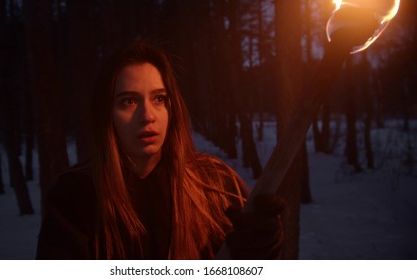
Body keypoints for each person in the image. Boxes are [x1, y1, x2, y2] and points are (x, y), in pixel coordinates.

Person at [36, 42, 285, 260]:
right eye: (129, 101)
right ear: (107, 114)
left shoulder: (216, 184)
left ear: (172, 108)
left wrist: (266, 247)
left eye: (159, 99)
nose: (147, 116)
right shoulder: (74, 197)